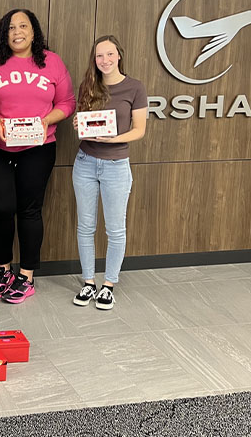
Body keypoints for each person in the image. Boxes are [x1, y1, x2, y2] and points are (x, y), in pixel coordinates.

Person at [0, 8, 75, 304]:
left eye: (23, 26)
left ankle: (26, 276)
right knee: (0, 208)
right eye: (11, 27)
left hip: (38, 148)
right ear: (4, 33)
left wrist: (46, 121)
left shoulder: (51, 62)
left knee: (30, 210)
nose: (17, 32)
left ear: (34, 31)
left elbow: (67, 102)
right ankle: (2, 271)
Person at [72, 35, 147, 310]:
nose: (104, 60)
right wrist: (78, 125)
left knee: (115, 229)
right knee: (85, 227)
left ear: (119, 55)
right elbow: (83, 121)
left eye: (109, 54)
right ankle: (89, 282)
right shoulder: (88, 86)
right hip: (85, 162)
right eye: (99, 56)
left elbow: (139, 130)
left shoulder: (135, 88)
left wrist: (111, 139)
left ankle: (109, 285)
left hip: (116, 164)